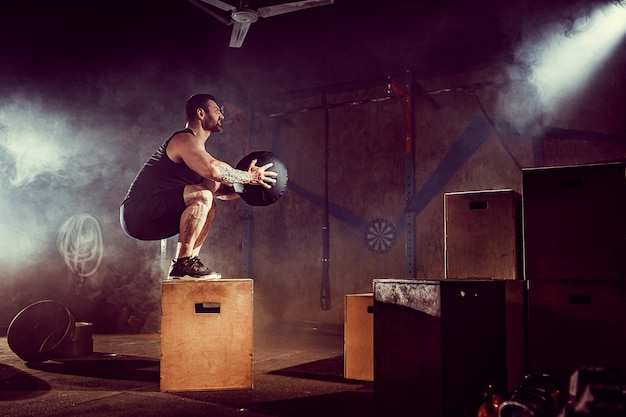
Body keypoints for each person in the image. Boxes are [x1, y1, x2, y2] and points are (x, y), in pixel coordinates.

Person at [120, 93, 277, 279]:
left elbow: (222, 191)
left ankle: (188, 266)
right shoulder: (184, 140)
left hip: (156, 218)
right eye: (217, 110)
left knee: (209, 203)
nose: (222, 116)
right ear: (201, 113)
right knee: (203, 196)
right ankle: (183, 263)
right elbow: (214, 170)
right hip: (136, 212)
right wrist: (248, 177)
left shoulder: (198, 155)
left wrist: (254, 186)